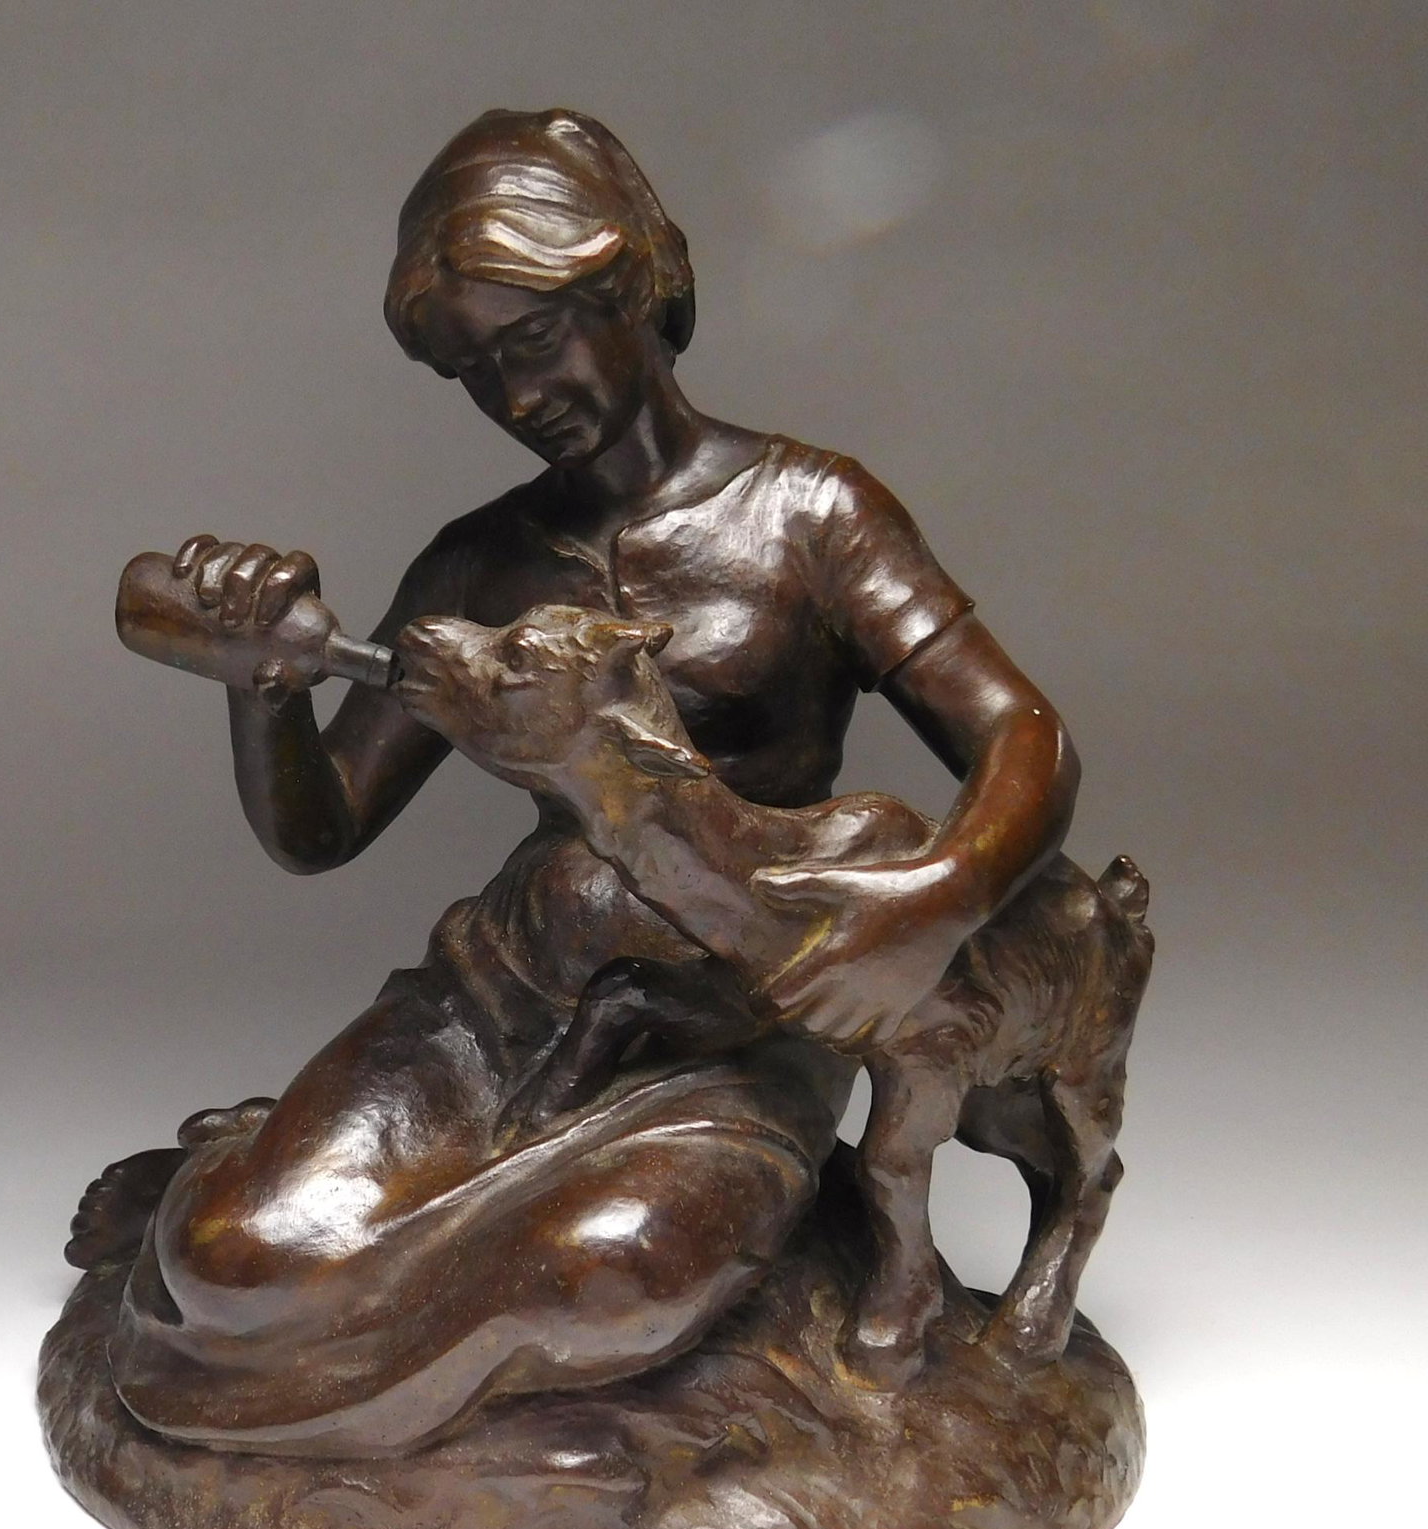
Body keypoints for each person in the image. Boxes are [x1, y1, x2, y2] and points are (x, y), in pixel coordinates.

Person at [107, 109, 1078, 1457]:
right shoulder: (479, 560)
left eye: (533, 338)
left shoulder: (811, 513)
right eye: (471, 370)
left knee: (613, 1280)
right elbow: (321, 830)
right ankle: (303, 1229)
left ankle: (408, 1343)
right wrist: (261, 687)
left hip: (735, 1016)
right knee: (228, 1259)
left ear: (634, 286)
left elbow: (1023, 733)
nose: (513, 399)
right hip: (508, 991)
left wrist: (942, 899)